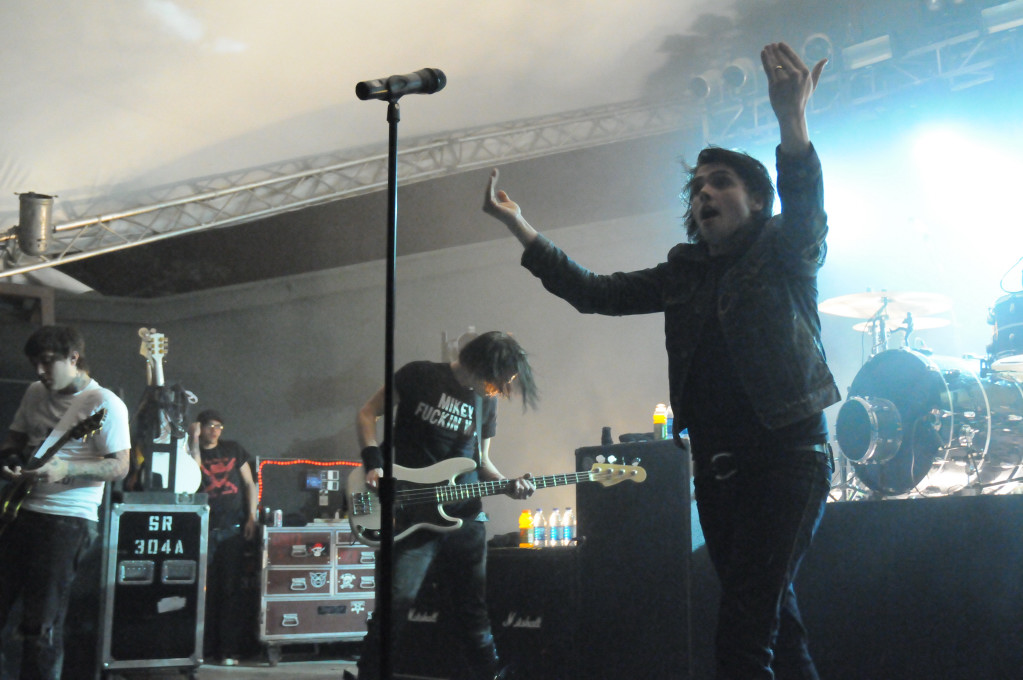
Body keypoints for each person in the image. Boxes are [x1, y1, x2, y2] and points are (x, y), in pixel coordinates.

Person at [483, 42, 839, 680]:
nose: (704, 194)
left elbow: (807, 208)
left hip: (787, 457)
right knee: (775, 626)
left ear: (758, 200)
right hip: (717, 466)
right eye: (697, 188)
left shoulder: (784, 247)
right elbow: (594, 292)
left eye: (721, 182)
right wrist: (520, 226)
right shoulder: (683, 272)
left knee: (743, 637)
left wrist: (792, 122)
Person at [347, 331, 539, 680]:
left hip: (465, 516)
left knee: (473, 612)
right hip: (410, 514)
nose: (503, 388)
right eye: (502, 379)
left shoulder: (486, 402)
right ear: (481, 365)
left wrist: (508, 484)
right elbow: (367, 413)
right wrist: (373, 464)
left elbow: (481, 461)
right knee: (394, 607)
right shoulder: (418, 375)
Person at [0, 325, 131, 680]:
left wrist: (67, 468)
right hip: (18, 512)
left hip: (67, 519)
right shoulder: (34, 392)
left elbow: (120, 466)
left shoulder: (104, 403)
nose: (40, 372)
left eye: (47, 362)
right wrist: (10, 460)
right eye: (35, 364)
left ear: (74, 358)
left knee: (40, 623)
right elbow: (14, 439)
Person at [187, 409, 257, 666]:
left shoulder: (233, 448)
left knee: (231, 590)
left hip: (232, 529)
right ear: (200, 427)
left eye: (219, 426)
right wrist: (193, 439)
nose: (215, 430)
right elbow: (194, 474)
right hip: (204, 528)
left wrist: (252, 517)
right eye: (209, 425)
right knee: (205, 590)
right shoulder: (191, 450)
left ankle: (228, 650)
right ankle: (203, 649)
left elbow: (249, 483)